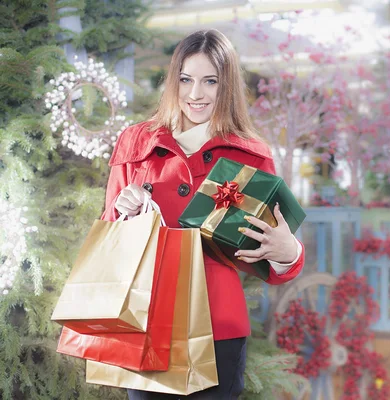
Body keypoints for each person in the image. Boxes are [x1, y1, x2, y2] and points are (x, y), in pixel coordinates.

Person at [102, 29, 305, 399]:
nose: (195, 94)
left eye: (210, 81)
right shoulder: (136, 142)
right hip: (147, 322)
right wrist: (125, 215)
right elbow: (108, 241)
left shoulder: (251, 154)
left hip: (218, 329)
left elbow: (274, 259)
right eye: (186, 79)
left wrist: (288, 251)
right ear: (173, 81)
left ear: (225, 86)